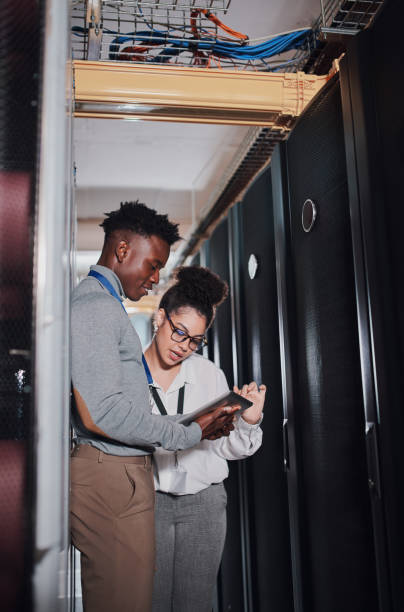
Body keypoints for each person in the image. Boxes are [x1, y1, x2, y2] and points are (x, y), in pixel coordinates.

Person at [70, 202, 237, 612]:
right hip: (110, 479)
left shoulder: (106, 306)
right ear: (123, 250)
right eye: (153, 264)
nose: (155, 278)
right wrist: (189, 432)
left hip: (122, 478)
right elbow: (102, 412)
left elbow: (122, 409)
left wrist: (201, 421)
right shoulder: (94, 308)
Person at [143, 266, 266, 612]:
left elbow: (226, 447)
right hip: (147, 505)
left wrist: (249, 422)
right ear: (160, 318)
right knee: (148, 601)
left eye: (195, 340)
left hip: (204, 504)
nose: (184, 347)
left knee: (194, 604)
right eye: (179, 333)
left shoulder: (208, 373)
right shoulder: (129, 372)